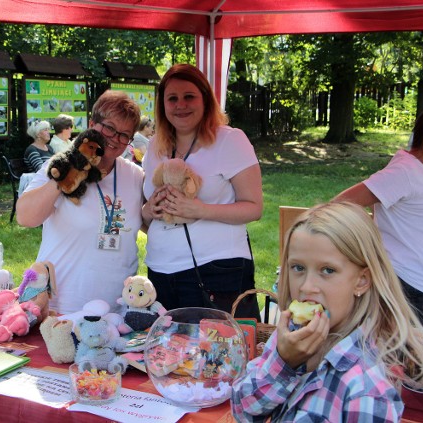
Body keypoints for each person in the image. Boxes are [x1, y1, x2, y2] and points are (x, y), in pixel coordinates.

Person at [232, 202, 423, 422]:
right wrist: (284, 363)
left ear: (362, 281)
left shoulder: (366, 393)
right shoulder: (289, 337)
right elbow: (242, 409)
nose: (306, 286)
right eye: (298, 267)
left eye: (327, 270)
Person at [142, 63, 263, 319]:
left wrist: (200, 210)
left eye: (189, 96)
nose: (180, 105)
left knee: (217, 355)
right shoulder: (154, 147)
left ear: (205, 99)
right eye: (172, 98)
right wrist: (149, 208)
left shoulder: (230, 140)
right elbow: (146, 216)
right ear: (162, 105)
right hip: (159, 270)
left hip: (216, 270)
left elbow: (254, 207)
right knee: (170, 355)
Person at [16, 90, 142, 315]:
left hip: (116, 312)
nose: (115, 138)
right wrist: (66, 175)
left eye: (124, 134)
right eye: (109, 127)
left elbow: (151, 223)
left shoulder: (135, 176)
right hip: (61, 308)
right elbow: (25, 217)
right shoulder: (60, 164)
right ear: (92, 124)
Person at [333, 111, 423, 326]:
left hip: (415, 286)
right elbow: (340, 204)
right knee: (404, 357)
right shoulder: (405, 172)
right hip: (405, 288)